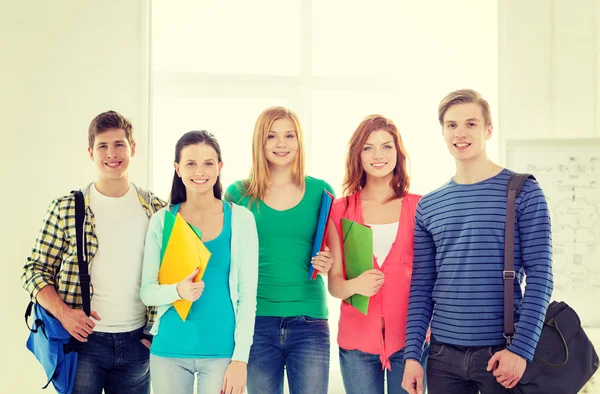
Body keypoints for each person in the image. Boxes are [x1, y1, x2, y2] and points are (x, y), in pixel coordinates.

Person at [401, 89, 553, 394]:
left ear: (488, 129)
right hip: (442, 357)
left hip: (502, 354)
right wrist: (412, 355)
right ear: (443, 131)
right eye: (452, 125)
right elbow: (421, 287)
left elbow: (541, 276)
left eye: (471, 124)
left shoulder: (523, 191)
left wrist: (521, 351)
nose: (460, 133)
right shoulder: (429, 205)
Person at [22, 110, 166, 394]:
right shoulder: (66, 207)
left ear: (132, 148)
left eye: (119, 144)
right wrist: (64, 314)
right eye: (103, 146)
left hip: (138, 344)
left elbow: (171, 276)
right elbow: (34, 271)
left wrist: (151, 336)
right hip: (83, 344)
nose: (112, 154)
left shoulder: (157, 211)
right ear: (91, 152)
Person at [225, 106, 335, 394]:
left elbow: (337, 258)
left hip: (309, 320)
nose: (281, 143)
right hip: (256, 321)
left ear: (299, 141)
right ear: (259, 142)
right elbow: (225, 258)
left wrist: (328, 262)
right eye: (272, 136)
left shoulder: (321, 191)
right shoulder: (238, 194)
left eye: (289, 135)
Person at [140, 130, 258, 394]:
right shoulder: (162, 220)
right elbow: (147, 292)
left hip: (222, 352)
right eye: (190, 163)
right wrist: (177, 291)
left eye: (208, 163)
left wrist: (241, 359)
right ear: (177, 169)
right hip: (169, 349)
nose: (199, 171)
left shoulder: (241, 219)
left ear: (219, 167)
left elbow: (248, 297)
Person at [328, 115, 429, 394]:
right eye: (368, 148)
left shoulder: (421, 207)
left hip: (411, 344)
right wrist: (355, 285)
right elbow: (335, 284)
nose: (378, 155)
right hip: (357, 341)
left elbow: (432, 280)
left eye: (387, 146)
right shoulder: (341, 210)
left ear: (398, 153)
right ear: (357, 154)